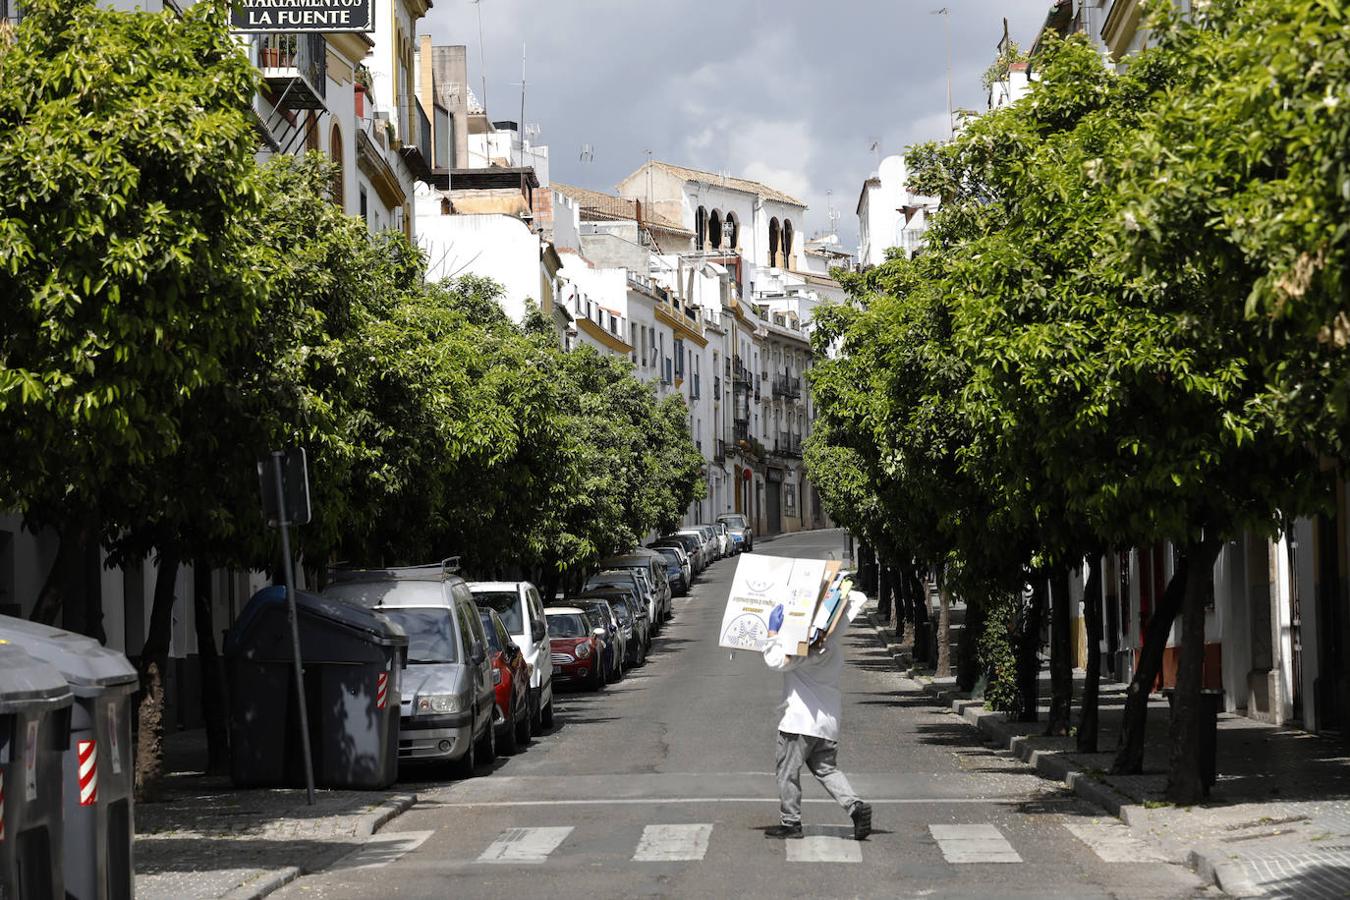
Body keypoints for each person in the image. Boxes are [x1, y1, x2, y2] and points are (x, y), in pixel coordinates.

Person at [762, 590, 872, 840]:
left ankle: (791, 823)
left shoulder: (806, 651)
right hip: (828, 723)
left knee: (787, 771)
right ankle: (855, 807)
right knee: (826, 769)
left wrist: (772, 632)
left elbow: (776, 660)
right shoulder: (832, 648)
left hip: (799, 723)